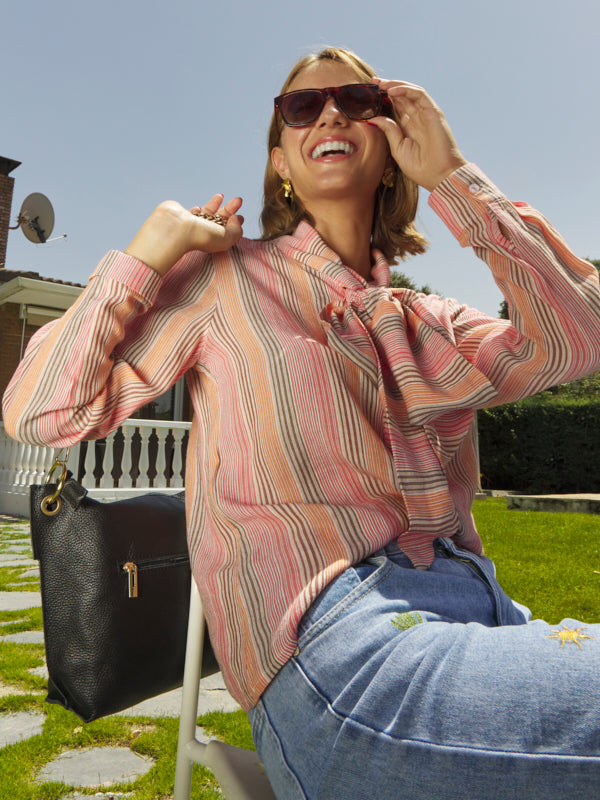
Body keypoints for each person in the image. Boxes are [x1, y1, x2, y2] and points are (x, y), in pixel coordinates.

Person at [4, 46, 600, 799]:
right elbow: (39, 409)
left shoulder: (421, 321)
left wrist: (454, 178)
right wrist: (146, 254)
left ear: (390, 151)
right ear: (280, 160)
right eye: (302, 106)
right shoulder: (226, 278)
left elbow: (577, 338)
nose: (330, 114)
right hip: (339, 658)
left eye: (357, 100)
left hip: (483, 619)